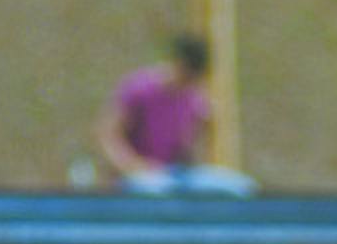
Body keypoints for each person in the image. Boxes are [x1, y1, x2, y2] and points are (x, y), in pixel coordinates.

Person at [93, 33, 257, 196]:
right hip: (141, 175)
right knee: (154, 189)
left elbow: (192, 140)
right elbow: (109, 135)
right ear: (178, 64)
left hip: (174, 175)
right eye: (187, 76)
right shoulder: (139, 88)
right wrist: (131, 166)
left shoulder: (194, 97)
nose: (189, 82)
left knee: (239, 188)